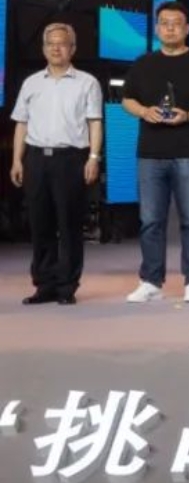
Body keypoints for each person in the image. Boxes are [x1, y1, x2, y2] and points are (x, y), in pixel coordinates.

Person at [121, 2, 189, 304]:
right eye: (164, 23)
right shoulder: (143, 63)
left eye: (176, 23)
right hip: (150, 153)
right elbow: (127, 99)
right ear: (156, 28)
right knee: (150, 220)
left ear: (187, 28)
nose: (170, 28)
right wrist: (144, 111)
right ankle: (151, 281)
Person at [9, 23, 103, 306]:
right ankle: (44, 285)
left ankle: (66, 286)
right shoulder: (31, 82)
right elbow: (21, 124)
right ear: (43, 48)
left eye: (62, 43)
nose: (56, 48)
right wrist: (17, 160)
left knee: (69, 224)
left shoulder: (87, 82)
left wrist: (93, 157)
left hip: (70, 159)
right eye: (50, 44)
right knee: (40, 224)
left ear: (72, 48)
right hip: (36, 158)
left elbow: (94, 123)